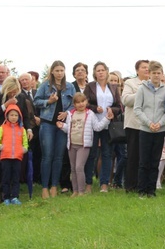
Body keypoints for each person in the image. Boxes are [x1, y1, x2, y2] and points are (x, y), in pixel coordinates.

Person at [57, 93, 113, 197]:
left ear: (86, 102)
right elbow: (68, 128)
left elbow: (97, 127)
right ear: (74, 104)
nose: (80, 104)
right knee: (73, 168)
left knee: (79, 167)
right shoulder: (70, 114)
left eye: (82, 101)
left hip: (84, 145)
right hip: (72, 145)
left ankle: (82, 191)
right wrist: (62, 126)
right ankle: (75, 191)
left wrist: (106, 119)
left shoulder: (90, 114)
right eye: (78, 102)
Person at [34, 61, 75, 198]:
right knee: (47, 156)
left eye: (61, 70)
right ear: (52, 71)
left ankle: (54, 186)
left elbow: (75, 104)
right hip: (47, 124)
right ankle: (45, 187)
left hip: (62, 125)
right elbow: (36, 101)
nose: (59, 73)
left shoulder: (69, 86)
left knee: (58, 157)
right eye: (57, 70)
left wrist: (67, 113)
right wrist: (49, 102)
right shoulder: (45, 85)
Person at [83, 61, 122, 193]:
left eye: (102, 70)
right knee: (91, 154)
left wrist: (112, 110)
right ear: (94, 73)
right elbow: (85, 103)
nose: (100, 72)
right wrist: (95, 108)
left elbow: (119, 106)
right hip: (93, 124)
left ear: (106, 72)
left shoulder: (113, 87)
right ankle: (88, 183)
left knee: (107, 154)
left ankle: (104, 183)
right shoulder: (90, 86)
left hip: (109, 125)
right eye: (98, 70)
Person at [134, 61, 165, 198]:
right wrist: (148, 123)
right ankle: (142, 190)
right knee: (144, 161)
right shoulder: (142, 89)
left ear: (162, 74)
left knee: (155, 161)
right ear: (149, 74)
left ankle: (151, 190)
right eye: (153, 73)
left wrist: (160, 123)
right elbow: (137, 109)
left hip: (159, 130)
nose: (156, 75)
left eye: (158, 73)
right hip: (145, 129)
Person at [0, 104, 28, 205]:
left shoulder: (22, 129)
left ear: (19, 117)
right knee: (6, 178)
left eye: (16, 115)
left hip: (17, 157)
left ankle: (15, 196)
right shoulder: (2, 128)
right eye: (11, 115)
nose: (14, 117)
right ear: (7, 116)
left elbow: (25, 142)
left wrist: (24, 149)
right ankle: (6, 197)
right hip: (5, 157)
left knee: (16, 178)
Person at [122, 60, 149, 193]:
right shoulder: (130, 83)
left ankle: (144, 184)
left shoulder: (154, 83)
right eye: (143, 67)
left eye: (148, 68)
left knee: (146, 157)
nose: (146, 70)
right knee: (133, 156)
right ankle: (131, 185)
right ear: (137, 70)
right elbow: (126, 100)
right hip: (134, 125)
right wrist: (141, 91)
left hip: (149, 125)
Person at [108, 71, 127, 189]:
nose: (114, 83)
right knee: (108, 155)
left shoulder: (123, 96)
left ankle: (118, 181)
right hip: (108, 128)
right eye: (112, 80)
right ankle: (107, 181)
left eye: (116, 80)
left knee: (123, 155)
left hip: (122, 129)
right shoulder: (106, 94)